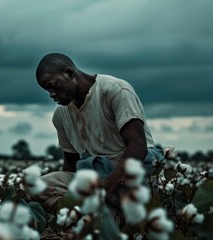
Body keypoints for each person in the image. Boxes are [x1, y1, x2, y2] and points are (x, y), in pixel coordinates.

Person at [33, 53, 164, 213]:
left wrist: (106, 186)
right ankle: (75, 219)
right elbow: (71, 164)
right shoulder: (60, 115)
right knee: (38, 187)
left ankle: (110, 215)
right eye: (47, 90)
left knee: (105, 203)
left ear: (69, 73)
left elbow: (137, 146)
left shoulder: (115, 90)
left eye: (52, 86)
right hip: (95, 178)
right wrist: (73, 194)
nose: (51, 94)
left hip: (133, 174)